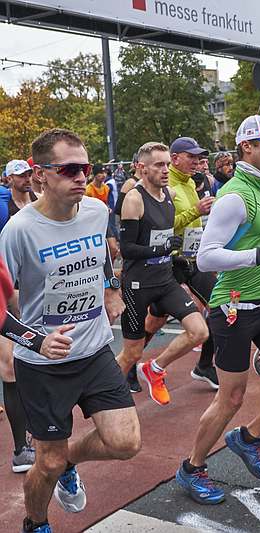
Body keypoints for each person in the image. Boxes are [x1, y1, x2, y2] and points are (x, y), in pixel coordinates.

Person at [0, 128, 140, 533]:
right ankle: (36, 522)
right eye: (70, 169)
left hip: (95, 351)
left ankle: (71, 463)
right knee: (47, 460)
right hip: (43, 365)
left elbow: (100, 261)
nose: (81, 176)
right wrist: (37, 340)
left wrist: (112, 291)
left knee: (126, 443)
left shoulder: (96, 213)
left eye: (86, 167)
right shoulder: (18, 232)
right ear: (40, 174)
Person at [176, 115, 260, 504]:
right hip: (232, 310)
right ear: (247, 147)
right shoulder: (235, 194)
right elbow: (206, 258)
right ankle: (192, 467)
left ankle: (248, 438)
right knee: (231, 398)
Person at [116, 142, 210, 405]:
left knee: (199, 331)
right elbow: (127, 248)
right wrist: (162, 247)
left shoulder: (168, 193)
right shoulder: (134, 199)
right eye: (159, 164)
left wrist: (172, 253)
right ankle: (104, 393)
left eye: (168, 164)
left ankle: (155, 369)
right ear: (142, 168)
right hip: (138, 285)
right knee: (131, 353)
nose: (166, 169)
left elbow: (169, 233)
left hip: (165, 279)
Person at [1, 159, 38, 474]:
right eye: (20, 175)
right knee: (10, 365)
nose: (25, 179)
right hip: (6, 293)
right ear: (8, 179)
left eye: (28, 174)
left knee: (37, 359)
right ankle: (19, 449)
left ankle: (40, 428)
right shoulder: (3, 210)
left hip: (37, 295)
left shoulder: (41, 204)